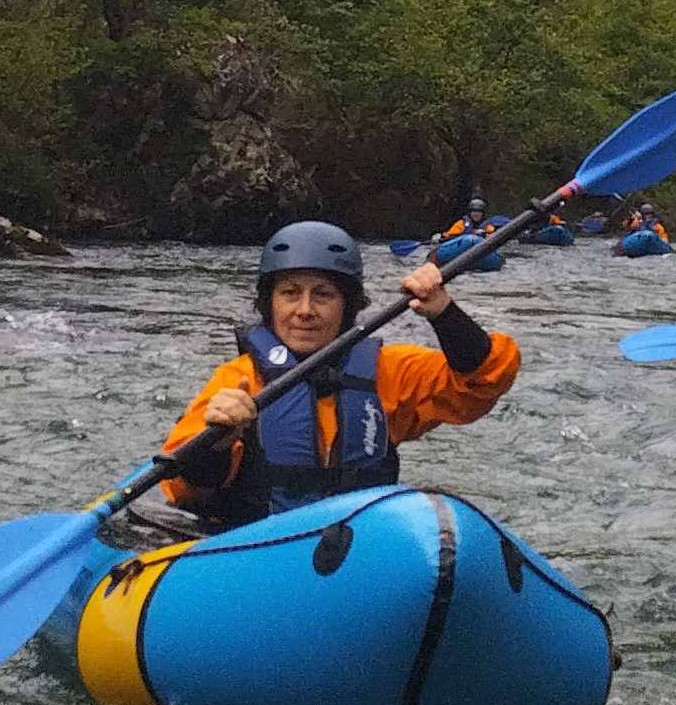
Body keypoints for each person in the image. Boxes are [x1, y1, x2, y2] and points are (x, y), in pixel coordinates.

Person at [160, 218, 518, 530]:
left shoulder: (387, 372)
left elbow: (483, 381)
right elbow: (181, 487)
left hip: (356, 551)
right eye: (289, 293)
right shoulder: (238, 381)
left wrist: (444, 313)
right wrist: (217, 442)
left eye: (323, 295)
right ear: (269, 303)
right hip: (260, 553)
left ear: (348, 305)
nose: (305, 310)